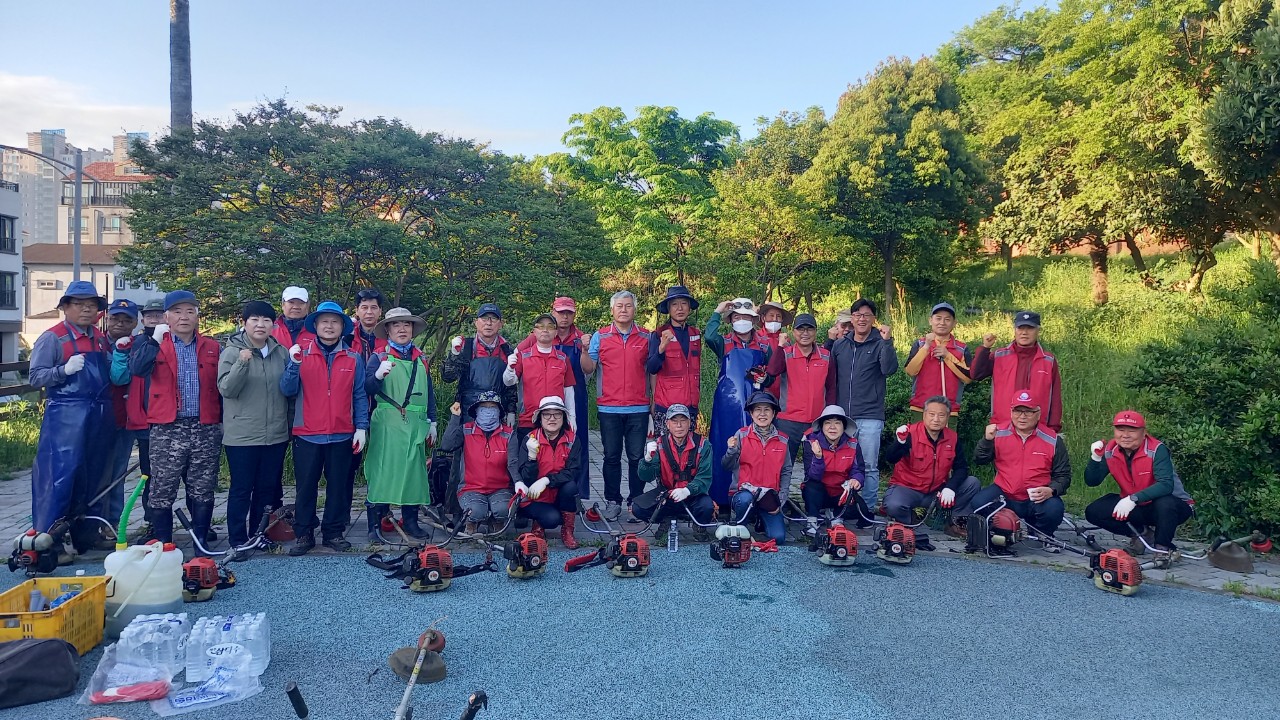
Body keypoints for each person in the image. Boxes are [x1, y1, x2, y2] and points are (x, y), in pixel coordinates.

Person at [128, 290, 224, 550]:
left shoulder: (213, 347)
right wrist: (153, 343)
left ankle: (200, 541)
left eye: (190, 311)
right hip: (167, 427)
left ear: (198, 317)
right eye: (178, 312)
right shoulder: (153, 344)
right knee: (162, 488)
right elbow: (137, 370)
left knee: (202, 487)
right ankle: (164, 543)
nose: (184, 317)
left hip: (204, 426)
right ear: (166, 317)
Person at [28, 280, 115, 560]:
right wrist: (62, 370)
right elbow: (36, 376)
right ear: (65, 307)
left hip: (99, 415)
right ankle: (50, 541)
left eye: (91, 305)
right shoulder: (52, 338)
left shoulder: (100, 339)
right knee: (59, 478)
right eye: (79, 304)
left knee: (94, 476)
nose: (86, 309)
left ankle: (86, 536)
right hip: (65, 416)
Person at [279, 300, 369, 555]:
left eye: (335, 321)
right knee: (305, 487)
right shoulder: (302, 353)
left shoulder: (352, 358)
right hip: (307, 433)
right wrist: (293, 365)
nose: (329, 326)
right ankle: (304, 533)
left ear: (343, 326)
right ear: (316, 325)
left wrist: (361, 427)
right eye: (324, 321)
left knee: (339, 486)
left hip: (342, 433)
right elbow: (286, 390)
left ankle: (333, 532)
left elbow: (360, 395)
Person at [217, 301, 290, 560]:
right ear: (244, 322)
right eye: (255, 320)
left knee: (266, 488)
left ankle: (259, 536)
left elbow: (288, 389)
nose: (261, 325)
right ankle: (238, 540)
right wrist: (242, 363)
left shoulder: (280, 352)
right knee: (241, 489)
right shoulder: (232, 351)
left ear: (273, 324)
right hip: (242, 435)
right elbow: (226, 389)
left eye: (266, 320)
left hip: (275, 434)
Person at [364, 308, 437, 542]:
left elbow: (429, 394)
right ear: (387, 330)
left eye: (406, 324)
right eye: (396, 325)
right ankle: (375, 523)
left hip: (415, 424)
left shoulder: (422, 358)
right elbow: (366, 389)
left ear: (413, 329)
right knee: (382, 471)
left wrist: (432, 421)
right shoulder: (378, 357)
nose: (402, 329)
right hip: (387, 424)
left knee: (414, 474)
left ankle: (412, 522)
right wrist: (377, 377)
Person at [1084, 410, 1194, 553]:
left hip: (1173, 506)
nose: (1125, 435)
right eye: (1120, 429)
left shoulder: (1156, 449)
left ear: (1143, 433)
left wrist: (1133, 498)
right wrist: (1095, 458)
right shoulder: (1111, 449)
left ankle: (1163, 549)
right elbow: (1092, 481)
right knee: (1094, 511)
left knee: (1165, 503)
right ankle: (1142, 534)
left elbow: (1166, 485)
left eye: (1132, 431)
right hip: (1137, 503)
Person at [972, 390, 1072, 547]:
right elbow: (979, 459)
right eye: (1018, 411)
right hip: (1004, 492)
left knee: (1054, 509)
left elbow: (1064, 476)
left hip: (1035, 496)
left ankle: (1043, 534)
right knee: (979, 502)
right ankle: (1001, 530)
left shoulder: (1053, 439)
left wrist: (1051, 490)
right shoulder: (998, 432)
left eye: (1028, 411)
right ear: (1011, 412)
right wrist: (986, 440)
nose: (1022, 416)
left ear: (1038, 413)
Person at [518, 296, 595, 497]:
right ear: (553, 312)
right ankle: (534, 496)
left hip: (573, 397)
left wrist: (586, 350)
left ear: (574, 314)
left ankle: (575, 496)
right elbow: (517, 356)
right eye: (561, 312)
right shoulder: (539, 335)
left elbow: (589, 369)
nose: (564, 316)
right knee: (537, 449)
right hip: (539, 404)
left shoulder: (581, 338)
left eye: (569, 312)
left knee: (574, 447)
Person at [825, 299, 898, 512]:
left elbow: (889, 369)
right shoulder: (841, 344)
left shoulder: (879, 342)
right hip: (842, 416)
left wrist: (887, 342)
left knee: (868, 465)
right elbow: (829, 377)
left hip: (870, 415)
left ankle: (866, 509)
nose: (862, 319)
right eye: (857, 314)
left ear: (874, 318)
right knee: (841, 463)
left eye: (867, 315)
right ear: (852, 318)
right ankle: (842, 505)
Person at [882, 396, 981, 551]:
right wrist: (900, 442)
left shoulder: (952, 438)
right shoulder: (910, 433)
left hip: (936, 491)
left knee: (972, 483)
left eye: (941, 415)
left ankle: (953, 522)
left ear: (948, 417)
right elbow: (890, 458)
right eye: (932, 414)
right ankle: (909, 522)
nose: (936, 419)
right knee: (893, 505)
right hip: (908, 488)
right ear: (924, 415)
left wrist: (951, 487)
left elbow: (962, 468)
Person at [588, 291, 652, 520]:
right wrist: (584, 350)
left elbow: (653, 370)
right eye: (619, 306)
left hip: (638, 407)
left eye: (628, 306)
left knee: (637, 457)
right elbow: (589, 369)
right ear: (612, 310)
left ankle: (636, 502)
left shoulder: (646, 337)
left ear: (635, 309)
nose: (623, 310)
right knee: (611, 457)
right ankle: (612, 501)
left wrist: (652, 402)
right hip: (609, 407)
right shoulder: (600, 336)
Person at [707, 298, 773, 507]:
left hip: (755, 405)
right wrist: (718, 311)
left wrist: (766, 379)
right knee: (724, 448)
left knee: (753, 450)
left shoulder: (763, 345)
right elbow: (709, 335)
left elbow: (771, 373)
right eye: (737, 317)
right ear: (731, 320)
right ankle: (720, 499)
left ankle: (754, 499)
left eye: (746, 317)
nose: (741, 320)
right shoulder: (724, 342)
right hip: (727, 405)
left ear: (753, 320)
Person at [111, 299, 165, 536]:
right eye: (150, 315)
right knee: (149, 476)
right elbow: (119, 378)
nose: (155, 318)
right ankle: (153, 522)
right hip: (144, 421)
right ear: (142, 319)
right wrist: (120, 353)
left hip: (172, 418)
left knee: (184, 474)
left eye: (159, 314)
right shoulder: (132, 344)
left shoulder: (175, 341)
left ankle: (195, 522)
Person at [969, 310, 1063, 432]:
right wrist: (985, 348)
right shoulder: (1000, 355)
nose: (1024, 332)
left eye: (1030, 328)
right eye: (1020, 328)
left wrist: (1053, 428)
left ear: (1038, 331)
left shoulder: (1048, 360)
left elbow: (1055, 396)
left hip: (1038, 429)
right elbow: (976, 374)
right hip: (1003, 426)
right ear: (1014, 330)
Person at [508, 396, 582, 548]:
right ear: (540, 418)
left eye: (557, 414)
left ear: (564, 418)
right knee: (551, 519)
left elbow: (573, 472)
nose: (552, 419)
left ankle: (568, 530)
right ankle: (539, 523)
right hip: (534, 497)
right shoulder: (529, 439)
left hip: (558, 493)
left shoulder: (572, 440)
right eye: (547, 414)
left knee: (571, 486)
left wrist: (546, 480)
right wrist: (531, 457)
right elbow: (525, 479)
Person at [440, 392, 516, 535]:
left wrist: (519, 484)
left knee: (503, 509)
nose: (488, 411)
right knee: (475, 511)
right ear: (476, 411)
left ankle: (496, 520)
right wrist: (455, 418)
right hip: (471, 488)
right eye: (484, 407)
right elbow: (446, 445)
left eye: (493, 407)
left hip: (500, 489)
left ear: (499, 412)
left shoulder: (508, 434)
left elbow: (513, 463)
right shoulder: (466, 429)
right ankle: (472, 521)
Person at [723, 391, 793, 544]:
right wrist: (731, 451)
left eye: (767, 409)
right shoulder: (740, 435)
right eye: (758, 410)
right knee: (744, 505)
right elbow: (726, 466)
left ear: (773, 413)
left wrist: (781, 500)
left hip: (769, 496)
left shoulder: (783, 439)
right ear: (751, 413)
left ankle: (760, 519)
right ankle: (740, 523)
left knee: (778, 538)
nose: (762, 414)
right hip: (743, 494)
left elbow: (787, 471)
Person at [94, 299, 139, 534]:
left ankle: (112, 524)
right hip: (95, 419)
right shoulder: (95, 343)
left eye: (127, 319)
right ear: (107, 319)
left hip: (124, 418)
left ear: (135, 322)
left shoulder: (138, 345)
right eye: (116, 318)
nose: (120, 324)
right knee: (95, 472)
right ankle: (90, 523)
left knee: (117, 473)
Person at [634, 404, 715, 531]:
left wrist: (687, 491)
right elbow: (646, 476)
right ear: (667, 424)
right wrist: (647, 460)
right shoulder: (659, 444)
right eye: (674, 421)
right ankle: (667, 519)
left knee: (707, 507)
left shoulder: (704, 445)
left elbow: (704, 478)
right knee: (637, 508)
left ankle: (698, 524)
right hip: (667, 495)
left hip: (693, 495)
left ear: (689, 423)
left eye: (683, 421)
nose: (679, 425)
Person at [766, 313, 830, 461]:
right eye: (800, 329)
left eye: (809, 329)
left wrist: (828, 417)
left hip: (816, 421)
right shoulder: (786, 353)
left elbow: (831, 387)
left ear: (815, 332)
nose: (805, 333)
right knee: (782, 465)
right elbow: (772, 370)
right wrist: (780, 346)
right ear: (793, 332)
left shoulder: (826, 356)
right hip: (788, 421)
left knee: (815, 465)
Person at [504, 312, 576, 445]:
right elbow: (509, 381)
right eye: (540, 326)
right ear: (534, 332)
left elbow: (568, 389)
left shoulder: (563, 359)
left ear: (555, 332)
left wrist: (572, 416)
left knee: (554, 463)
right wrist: (509, 368)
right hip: (528, 420)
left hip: (555, 421)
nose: (545, 330)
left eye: (550, 326)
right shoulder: (523, 356)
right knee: (528, 463)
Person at [799, 405, 866, 537]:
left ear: (844, 427)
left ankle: (836, 516)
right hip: (819, 491)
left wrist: (856, 479)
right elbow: (812, 475)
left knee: (861, 510)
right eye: (828, 423)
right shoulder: (810, 443)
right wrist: (818, 457)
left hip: (841, 491)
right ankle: (812, 521)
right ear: (822, 427)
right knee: (811, 485)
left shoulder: (853, 444)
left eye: (837, 423)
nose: (832, 427)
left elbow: (859, 470)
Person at [443, 303, 516, 423]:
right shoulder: (464, 347)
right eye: (484, 318)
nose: (489, 323)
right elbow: (448, 377)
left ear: (501, 324)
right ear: (476, 322)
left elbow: (510, 386)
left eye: (493, 318)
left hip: (498, 413)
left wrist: (511, 411)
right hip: (467, 414)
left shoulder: (507, 350)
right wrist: (454, 354)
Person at [646, 285, 702, 436]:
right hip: (667, 406)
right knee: (665, 453)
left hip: (690, 405)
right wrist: (662, 347)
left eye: (684, 303)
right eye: (675, 304)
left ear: (689, 308)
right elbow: (652, 367)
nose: (680, 308)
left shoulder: (695, 334)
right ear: (669, 309)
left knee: (688, 453)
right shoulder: (659, 334)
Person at [903, 302, 972, 418]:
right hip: (921, 408)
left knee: (947, 437)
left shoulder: (961, 348)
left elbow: (968, 377)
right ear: (931, 320)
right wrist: (926, 347)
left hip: (948, 410)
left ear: (954, 323)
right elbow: (910, 371)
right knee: (918, 437)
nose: (942, 323)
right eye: (938, 318)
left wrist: (947, 356)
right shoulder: (919, 344)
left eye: (947, 319)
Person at [272, 286, 317, 351]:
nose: (296, 307)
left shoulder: (316, 329)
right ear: (283, 304)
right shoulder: (270, 328)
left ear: (307, 305)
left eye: (301, 303)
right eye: (291, 302)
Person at [348, 288, 387, 361]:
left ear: (380, 311)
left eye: (373, 308)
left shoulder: (388, 336)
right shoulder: (347, 336)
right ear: (357, 310)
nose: (369, 312)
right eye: (364, 308)